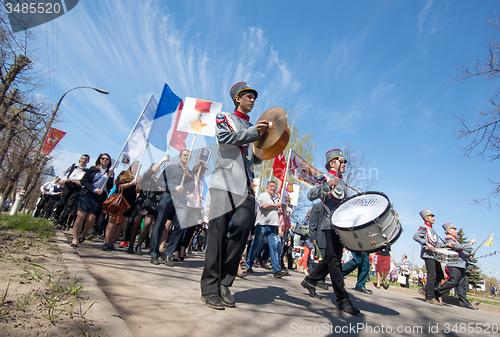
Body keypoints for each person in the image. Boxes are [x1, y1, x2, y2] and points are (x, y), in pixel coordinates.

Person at [200, 81, 268, 310]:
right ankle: (210, 287)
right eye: (248, 96)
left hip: (246, 184)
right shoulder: (224, 117)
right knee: (217, 235)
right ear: (237, 98)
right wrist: (253, 133)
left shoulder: (252, 128)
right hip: (224, 181)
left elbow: (255, 158)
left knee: (243, 227)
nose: (252, 100)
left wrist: (265, 144)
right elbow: (226, 139)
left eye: (254, 97)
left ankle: (225, 282)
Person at [300, 149, 360, 315]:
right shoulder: (325, 178)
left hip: (341, 226)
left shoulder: (344, 183)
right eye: (341, 161)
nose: (344, 165)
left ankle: (310, 280)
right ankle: (342, 298)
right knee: (334, 261)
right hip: (329, 224)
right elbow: (311, 195)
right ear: (332, 163)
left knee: (330, 258)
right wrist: (327, 186)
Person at [245, 181, 289, 278]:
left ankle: (276, 270)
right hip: (262, 225)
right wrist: (276, 206)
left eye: (274, 187)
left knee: (273, 247)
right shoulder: (262, 196)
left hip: (273, 225)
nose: (273, 188)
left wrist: (279, 210)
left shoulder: (277, 199)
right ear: (267, 187)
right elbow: (264, 206)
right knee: (256, 245)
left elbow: (276, 211)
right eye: (271, 187)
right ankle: (249, 264)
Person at [70, 153, 114, 247]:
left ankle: (85, 232)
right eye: (103, 158)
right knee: (80, 216)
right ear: (99, 159)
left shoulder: (109, 173)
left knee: (91, 219)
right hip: (87, 194)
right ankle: (74, 239)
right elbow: (84, 181)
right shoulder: (92, 169)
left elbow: (109, 187)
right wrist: (94, 189)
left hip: (98, 198)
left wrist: (111, 177)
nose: (105, 160)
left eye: (107, 159)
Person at [434, 222, 478, 309]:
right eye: (454, 229)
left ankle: (463, 301)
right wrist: (470, 243)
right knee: (453, 281)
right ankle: (436, 292)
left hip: (461, 264)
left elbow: (460, 251)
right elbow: (457, 247)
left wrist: (467, 255)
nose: (456, 231)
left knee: (462, 284)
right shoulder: (448, 239)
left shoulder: (455, 240)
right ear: (448, 231)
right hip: (453, 263)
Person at [102, 161, 141, 251]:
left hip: (129, 203)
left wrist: (138, 182)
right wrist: (131, 183)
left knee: (120, 223)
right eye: (135, 165)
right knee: (112, 222)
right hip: (119, 201)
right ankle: (106, 242)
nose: (137, 167)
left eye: (139, 166)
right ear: (131, 166)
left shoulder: (137, 178)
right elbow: (119, 186)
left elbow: (138, 190)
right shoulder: (123, 174)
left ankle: (111, 242)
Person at [413, 209, 444, 305]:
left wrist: (445, 246)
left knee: (440, 276)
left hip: (435, 255)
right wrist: (426, 243)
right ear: (426, 218)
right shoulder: (423, 227)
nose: (433, 218)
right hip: (428, 254)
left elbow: (436, 243)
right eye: (431, 216)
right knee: (432, 275)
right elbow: (416, 237)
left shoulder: (432, 230)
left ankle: (425, 289)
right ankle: (430, 297)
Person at [53, 154, 90, 230]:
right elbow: (62, 173)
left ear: (88, 161)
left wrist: (81, 183)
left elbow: (86, 181)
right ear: (80, 159)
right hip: (68, 186)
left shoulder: (86, 171)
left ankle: (60, 222)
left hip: (76, 189)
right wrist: (64, 179)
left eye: (85, 160)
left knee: (69, 206)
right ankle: (56, 216)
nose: (83, 160)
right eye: (82, 159)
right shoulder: (73, 166)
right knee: (61, 203)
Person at [295, 210, 313, 275]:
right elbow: (301, 225)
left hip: (311, 238)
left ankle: (298, 263)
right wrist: (307, 227)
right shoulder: (307, 219)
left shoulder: (313, 220)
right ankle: (305, 268)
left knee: (308, 254)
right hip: (305, 238)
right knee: (306, 252)